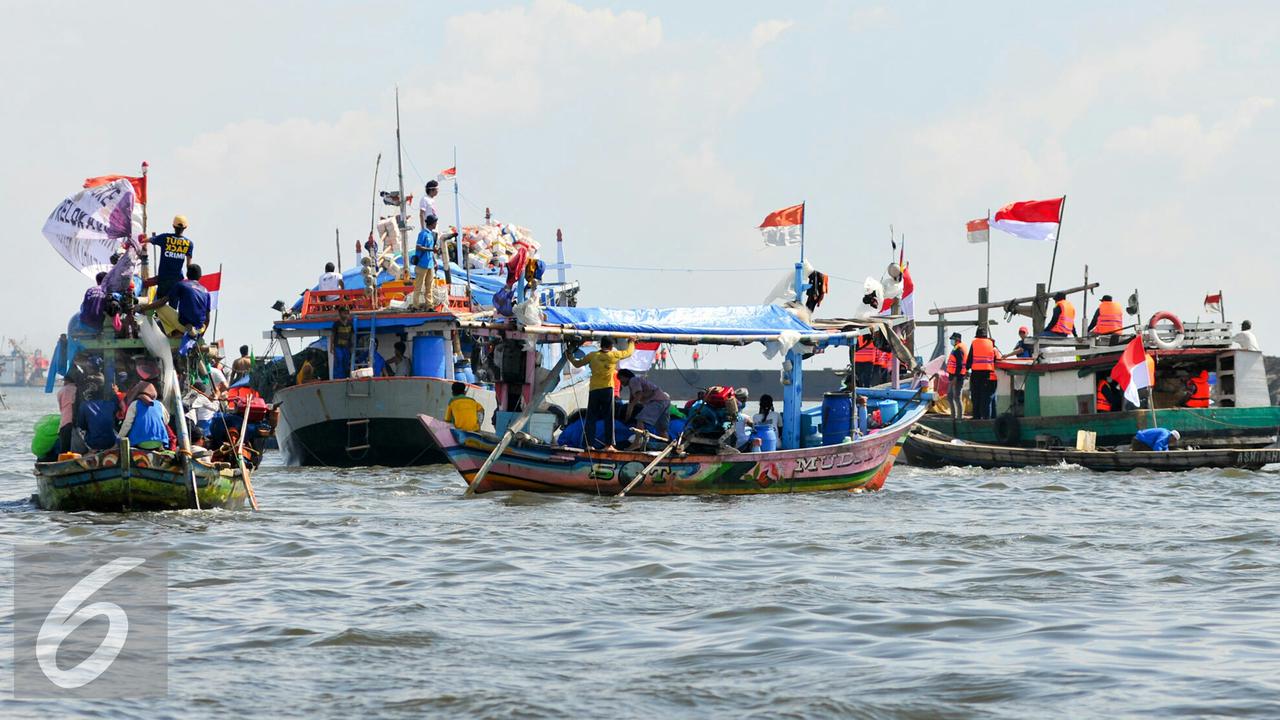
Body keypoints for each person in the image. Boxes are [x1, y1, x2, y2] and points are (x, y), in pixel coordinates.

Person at [567, 337, 634, 451]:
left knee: (591, 418)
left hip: (594, 390)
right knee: (609, 417)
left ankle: (588, 445)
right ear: (611, 347)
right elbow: (629, 352)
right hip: (607, 390)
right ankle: (609, 445)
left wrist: (569, 353)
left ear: (601, 345)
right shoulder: (614, 355)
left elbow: (577, 364)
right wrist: (631, 341)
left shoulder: (593, 355)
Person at [140, 263, 210, 337]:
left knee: (159, 306)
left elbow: (162, 302)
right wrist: (201, 336)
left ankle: (173, 332)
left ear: (187, 274)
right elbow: (207, 318)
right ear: (200, 277)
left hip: (184, 325)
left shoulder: (182, 285)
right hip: (200, 329)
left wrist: (143, 308)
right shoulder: (206, 291)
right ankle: (186, 331)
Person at [148, 215, 194, 299]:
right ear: (185, 227)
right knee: (173, 308)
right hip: (177, 280)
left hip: (163, 279)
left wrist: (143, 240)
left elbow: (150, 240)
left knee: (159, 306)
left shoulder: (165, 238)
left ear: (173, 226)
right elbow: (189, 266)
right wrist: (191, 281)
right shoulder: (189, 244)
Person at [617, 369, 671, 439]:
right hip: (665, 400)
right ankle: (665, 443)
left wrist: (632, 406)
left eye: (621, 378)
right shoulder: (633, 384)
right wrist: (628, 415)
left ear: (626, 376)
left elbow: (639, 394)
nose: (620, 381)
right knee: (662, 429)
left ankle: (637, 442)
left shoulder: (633, 380)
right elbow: (631, 400)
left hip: (657, 401)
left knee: (640, 419)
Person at [118, 381, 171, 450]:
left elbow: (127, 424)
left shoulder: (135, 404)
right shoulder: (159, 404)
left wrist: (118, 439)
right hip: (159, 442)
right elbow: (166, 420)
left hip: (140, 443)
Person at [967, 327, 997, 420]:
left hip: (976, 374)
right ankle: (987, 418)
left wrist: (967, 368)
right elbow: (996, 358)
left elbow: (970, 359)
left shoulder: (974, 343)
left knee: (976, 396)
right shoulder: (992, 344)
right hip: (988, 374)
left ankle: (976, 417)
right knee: (987, 397)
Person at [77, 385, 119, 451]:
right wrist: (115, 392)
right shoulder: (110, 404)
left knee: (78, 429)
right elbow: (116, 403)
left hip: (93, 443)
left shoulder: (84, 405)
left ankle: (89, 451)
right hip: (110, 442)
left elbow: (81, 425)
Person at [79, 272, 109, 336]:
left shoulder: (90, 290)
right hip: (100, 323)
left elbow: (84, 305)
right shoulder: (109, 290)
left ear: (97, 281)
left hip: (86, 323)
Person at [945, 332, 967, 420]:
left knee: (956, 397)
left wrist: (955, 377)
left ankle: (959, 417)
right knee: (950, 396)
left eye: (953, 339)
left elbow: (960, 365)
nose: (951, 341)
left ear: (957, 340)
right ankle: (953, 416)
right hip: (953, 376)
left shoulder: (959, 349)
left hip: (957, 377)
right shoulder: (956, 348)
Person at [56, 376, 78, 454]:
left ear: (66, 381)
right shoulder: (78, 389)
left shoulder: (61, 391)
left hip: (65, 421)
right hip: (76, 422)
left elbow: (61, 408)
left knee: (64, 450)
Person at [331, 306, 354, 379]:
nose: (346, 315)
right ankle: (338, 378)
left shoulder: (350, 324)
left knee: (346, 362)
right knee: (339, 361)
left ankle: (346, 377)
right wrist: (331, 346)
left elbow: (352, 335)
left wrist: (352, 345)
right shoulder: (336, 324)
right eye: (344, 313)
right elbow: (333, 335)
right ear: (340, 314)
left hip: (346, 347)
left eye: (347, 313)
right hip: (338, 346)